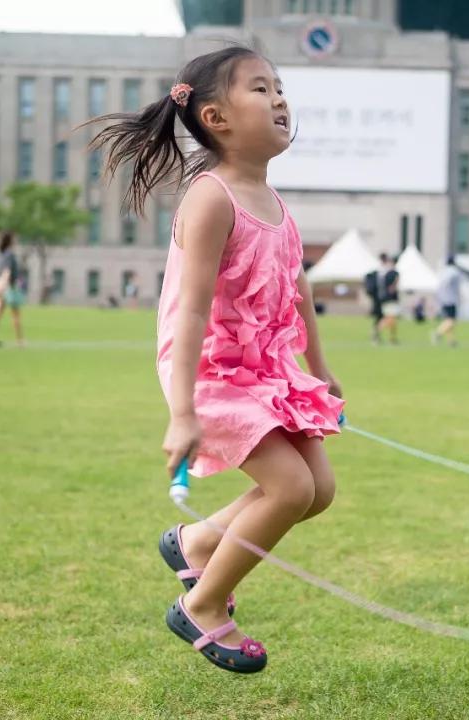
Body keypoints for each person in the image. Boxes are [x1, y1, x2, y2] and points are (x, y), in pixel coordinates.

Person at [89, 46, 344, 674]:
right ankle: (201, 605)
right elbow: (190, 313)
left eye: (280, 87)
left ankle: (198, 540)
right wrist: (181, 412)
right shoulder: (211, 197)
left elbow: (298, 288)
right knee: (288, 487)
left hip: (267, 370)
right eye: (261, 89)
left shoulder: (274, 202)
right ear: (216, 117)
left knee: (318, 492)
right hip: (211, 371)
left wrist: (319, 366)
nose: (280, 98)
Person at [432, 256, 462, 347]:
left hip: (443, 298)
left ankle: (451, 340)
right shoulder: (454, 272)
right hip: (451, 299)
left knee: (448, 320)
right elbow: (448, 284)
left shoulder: (443, 271)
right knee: (451, 320)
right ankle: (437, 333)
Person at [377, 253, 400, 344]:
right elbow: (393, 287)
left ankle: (392, 338)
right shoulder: (395, 273)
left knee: (391, 320)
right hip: (391, 299)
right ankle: (377, 333)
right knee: (390, 319)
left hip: (385, 298)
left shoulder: (385, 273)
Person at [363, 268, 382, 343]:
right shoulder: (377, 277)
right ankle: (375, 333)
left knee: (378, 318)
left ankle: (375, 334)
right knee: (381, 318)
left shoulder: (374, 278)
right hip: (379, 302)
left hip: (376, 302)